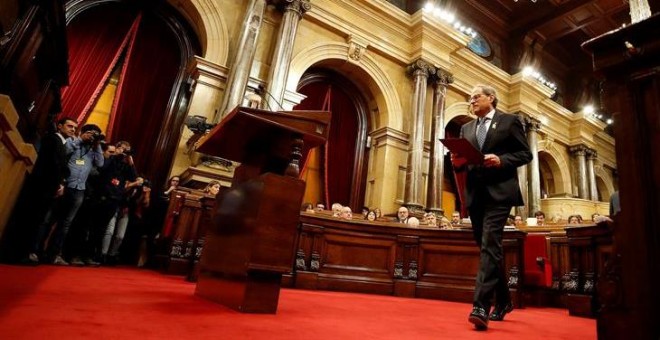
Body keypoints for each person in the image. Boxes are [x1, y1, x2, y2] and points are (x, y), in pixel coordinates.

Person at [451, 84, 532, 330]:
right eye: (470, 98)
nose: (472, 101)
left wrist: (502, 160)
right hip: (475, 194)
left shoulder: (510, 121)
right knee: (488, 248)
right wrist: (456, 160)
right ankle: (505, 300)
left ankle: (480, 306)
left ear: (491, 98)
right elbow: (463, 162)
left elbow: (525, 154)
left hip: (500, 193)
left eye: (476, 97)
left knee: (489, 244)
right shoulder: (466, 127)